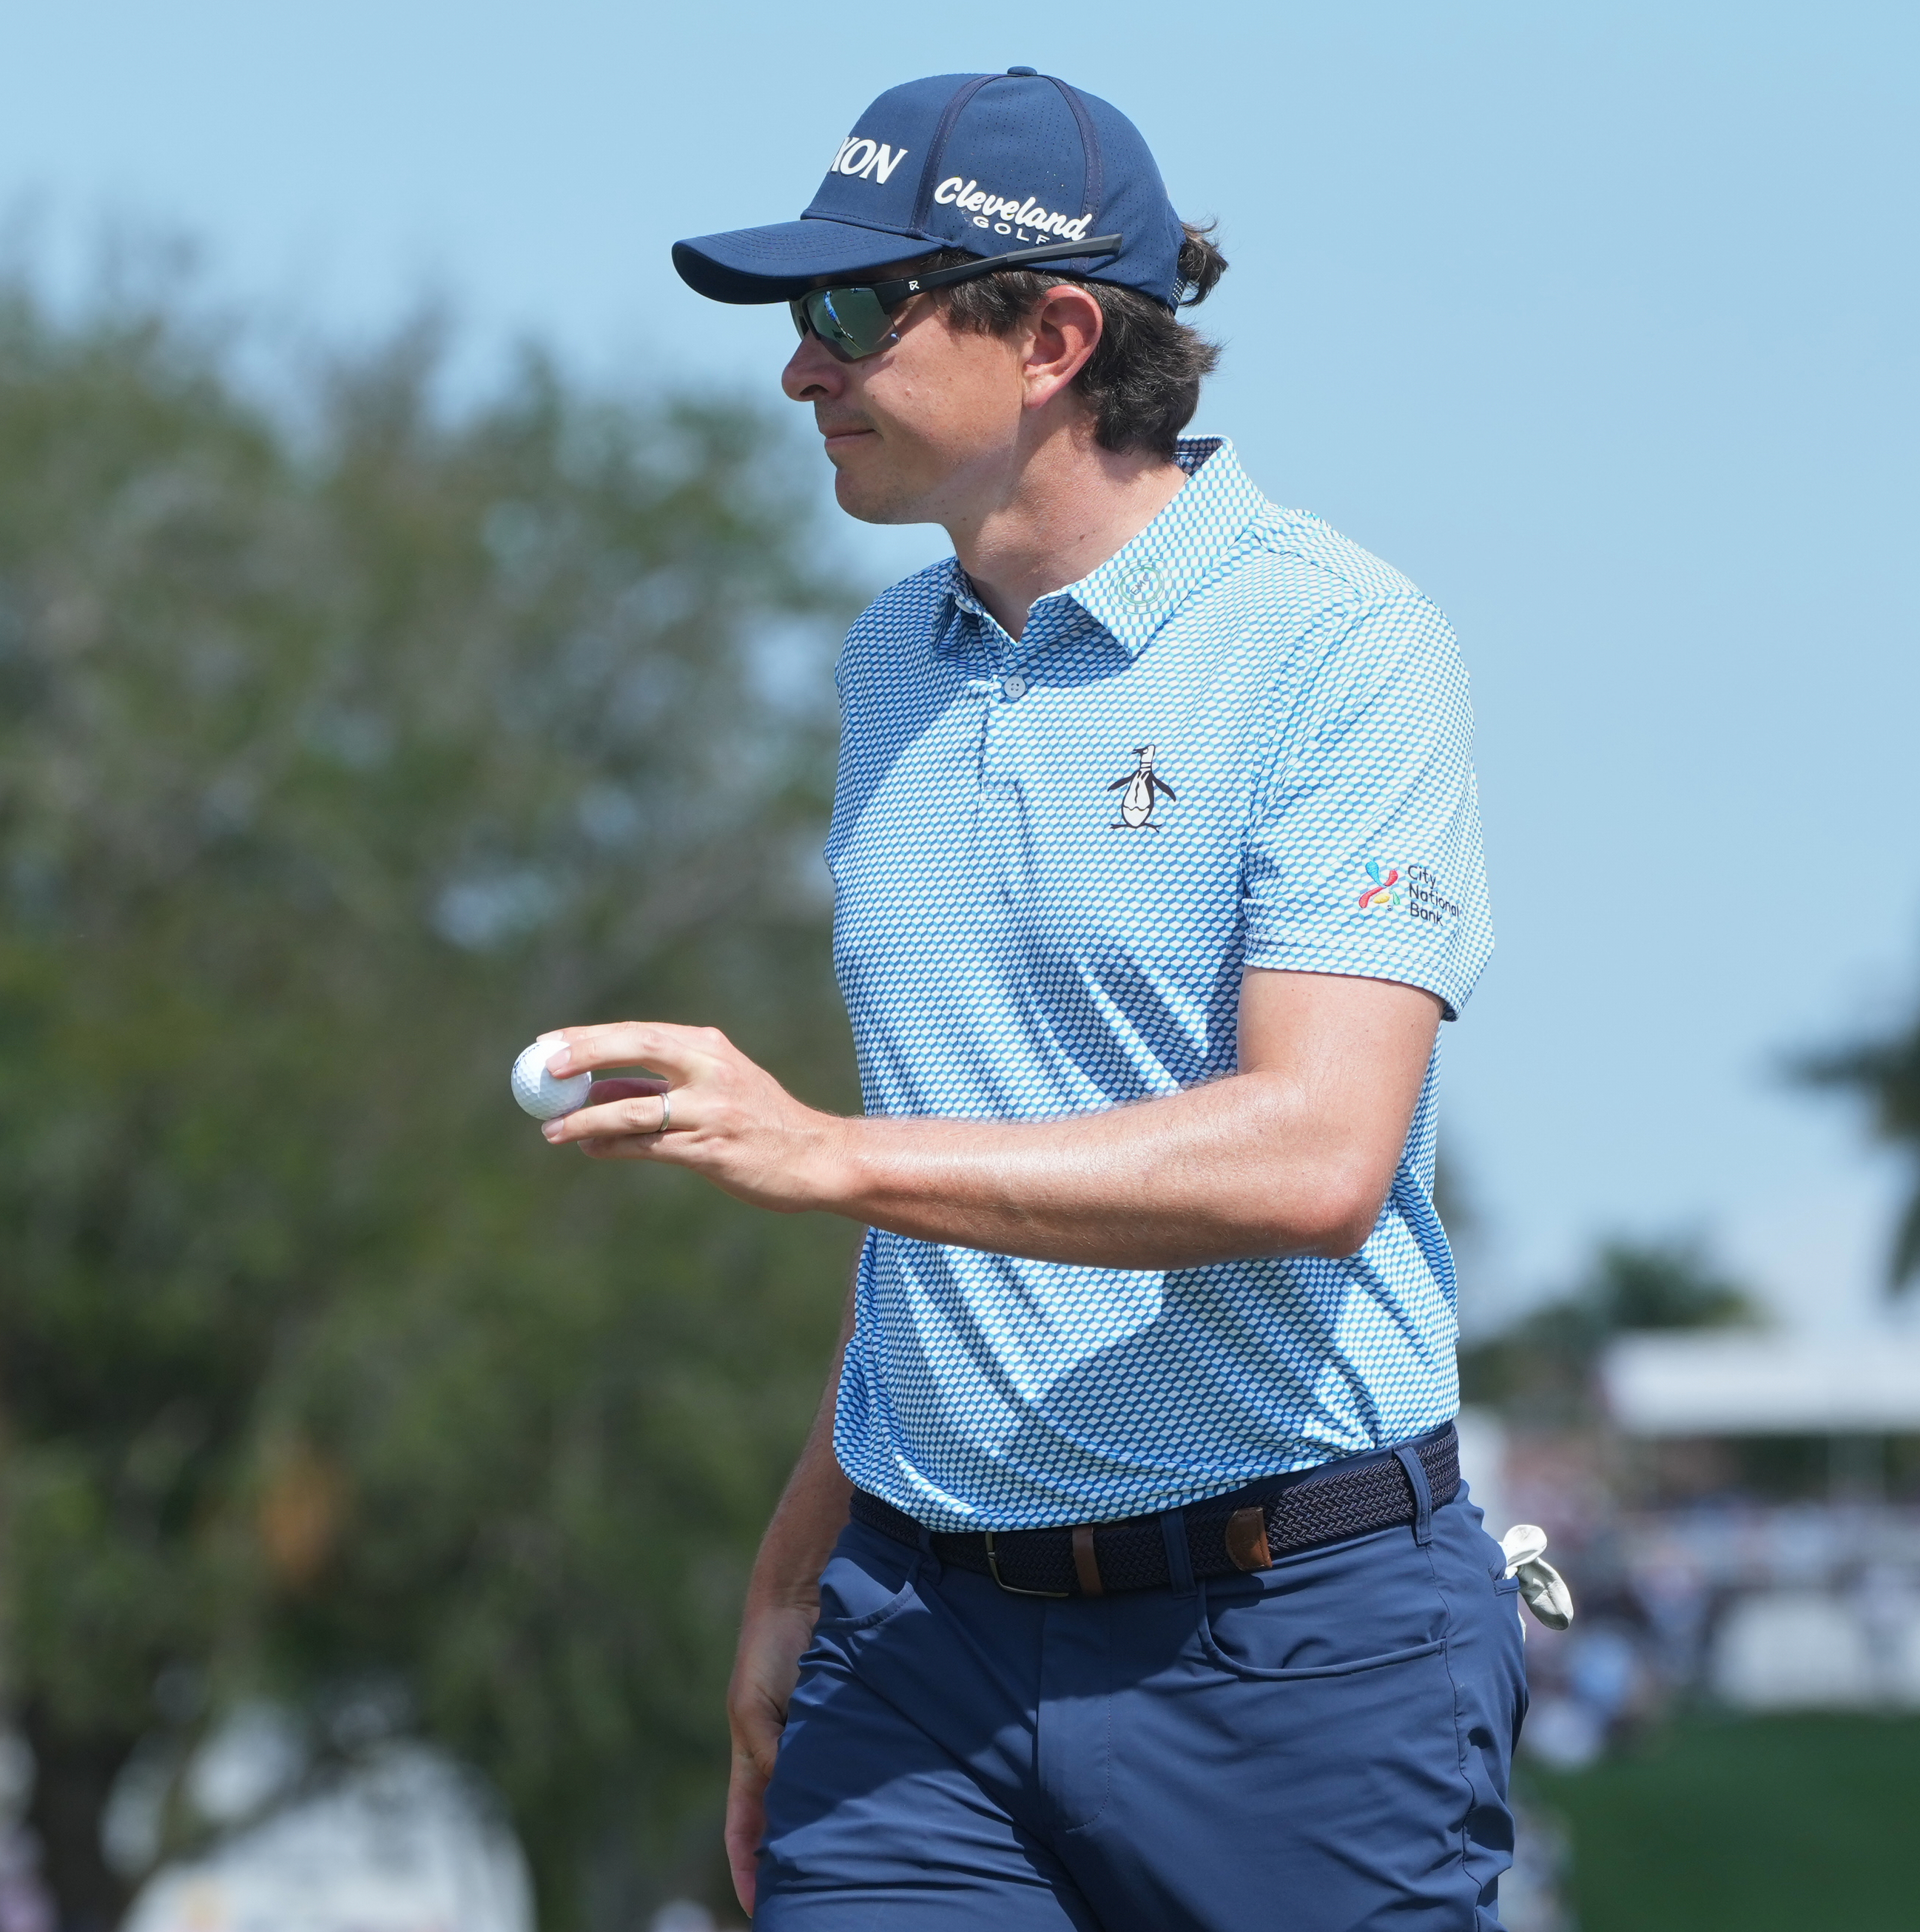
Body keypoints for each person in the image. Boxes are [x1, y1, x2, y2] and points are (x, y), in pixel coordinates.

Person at [536, 67, 1523, 1931]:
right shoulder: (885, 661)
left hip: (1291, 1644)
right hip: (921, 1641)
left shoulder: (1340, 648)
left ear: (1054, 336)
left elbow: (1315, 1157)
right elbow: (960, 1159)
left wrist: (820, 1151)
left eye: (848, 313)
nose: (796, 371)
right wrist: (793, 1563)